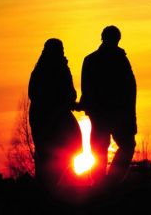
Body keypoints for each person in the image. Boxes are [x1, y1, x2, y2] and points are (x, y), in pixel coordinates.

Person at [78, 25, 137, 186]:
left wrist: (86, 105)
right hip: (116, 113)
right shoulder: (120, 60)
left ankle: (102, 182)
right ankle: (108, 182)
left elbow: (86, 88)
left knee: (101, 147)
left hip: (103, 113)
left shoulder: (91, 60)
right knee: (123, 146)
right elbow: (130, 89)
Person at [28, 38, 82, 189]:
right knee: (51, 155)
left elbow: (70, 94)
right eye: (60, 49)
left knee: (57, 153)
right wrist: (62, 104)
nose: (63, 52)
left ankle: (53, 186)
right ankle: (51, 189)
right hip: (49, 118)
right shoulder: (55, 70)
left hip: (48, 117)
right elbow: (36, 94)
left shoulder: (41, 70)